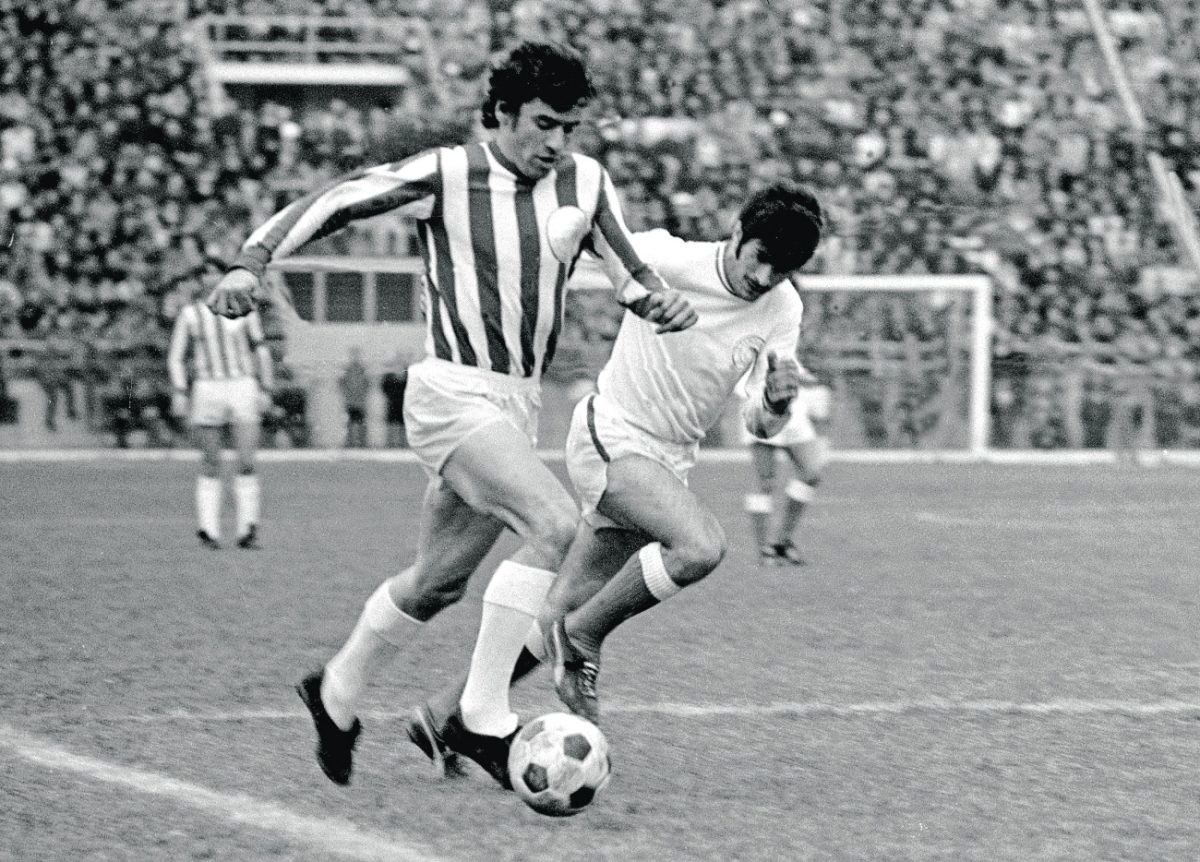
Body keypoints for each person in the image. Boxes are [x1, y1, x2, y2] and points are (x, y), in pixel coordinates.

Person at [204, 41, 696, 788]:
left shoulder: (586, 182)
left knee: (437, 582)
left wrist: (659, 302)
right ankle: (480, 716)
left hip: (514, 402)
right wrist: (253, 261)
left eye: (569, 127)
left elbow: (630, 271)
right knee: (554, 526)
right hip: (451, 392)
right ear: (502, 113)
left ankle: (335, 691)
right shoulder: (447, 173)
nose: (556, 142)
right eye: (543, 123)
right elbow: (339, 199)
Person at [416, 182, 824, 764]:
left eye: (781, 271)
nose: (763, 278)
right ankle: (583, 639)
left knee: (557, 610)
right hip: (611, 436)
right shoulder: (665, 258)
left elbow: (759, 422)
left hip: (668, 463)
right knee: (700, 547)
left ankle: (446, 717)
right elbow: (570, 243)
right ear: (737, 232)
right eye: (760, 259)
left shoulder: (784, 308)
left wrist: (778, 404)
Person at [168, 263, 275, 550]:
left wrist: (266, 387)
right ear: (200, 280)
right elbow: (176, 356)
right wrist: (180, 390)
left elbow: (260, 349)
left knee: (247, 460)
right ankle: (208, 530)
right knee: (210, 461)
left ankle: (248, 530)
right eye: (206, 274)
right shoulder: (190, 314)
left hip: (242, 385)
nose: (211, 279)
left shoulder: (244, 309)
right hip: (208, 387)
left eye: (217, 273)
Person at [743, 357, 833, 566]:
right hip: (764, 406)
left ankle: (782, 542)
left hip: (793, 409)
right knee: (765, 482)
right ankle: (764, 550)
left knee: (811, 473)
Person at [338, 347, 370, 448]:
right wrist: (347, 394)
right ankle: (349, 442)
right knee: (349, 422)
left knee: (361, 422)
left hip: (360, 402)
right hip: (350, 402)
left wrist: (362, 395)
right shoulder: (347, 370)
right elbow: (341, 383)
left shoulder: (363, 370)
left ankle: (362, 442)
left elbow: (367, 384)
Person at [380, 354, 409, 448]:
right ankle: (391, 443)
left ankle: (403, 443)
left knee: (403, 424)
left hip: (404, 405)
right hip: (392, 404)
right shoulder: (389, 379)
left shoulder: (407, 379)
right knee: (392, 424)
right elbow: (384, 388)